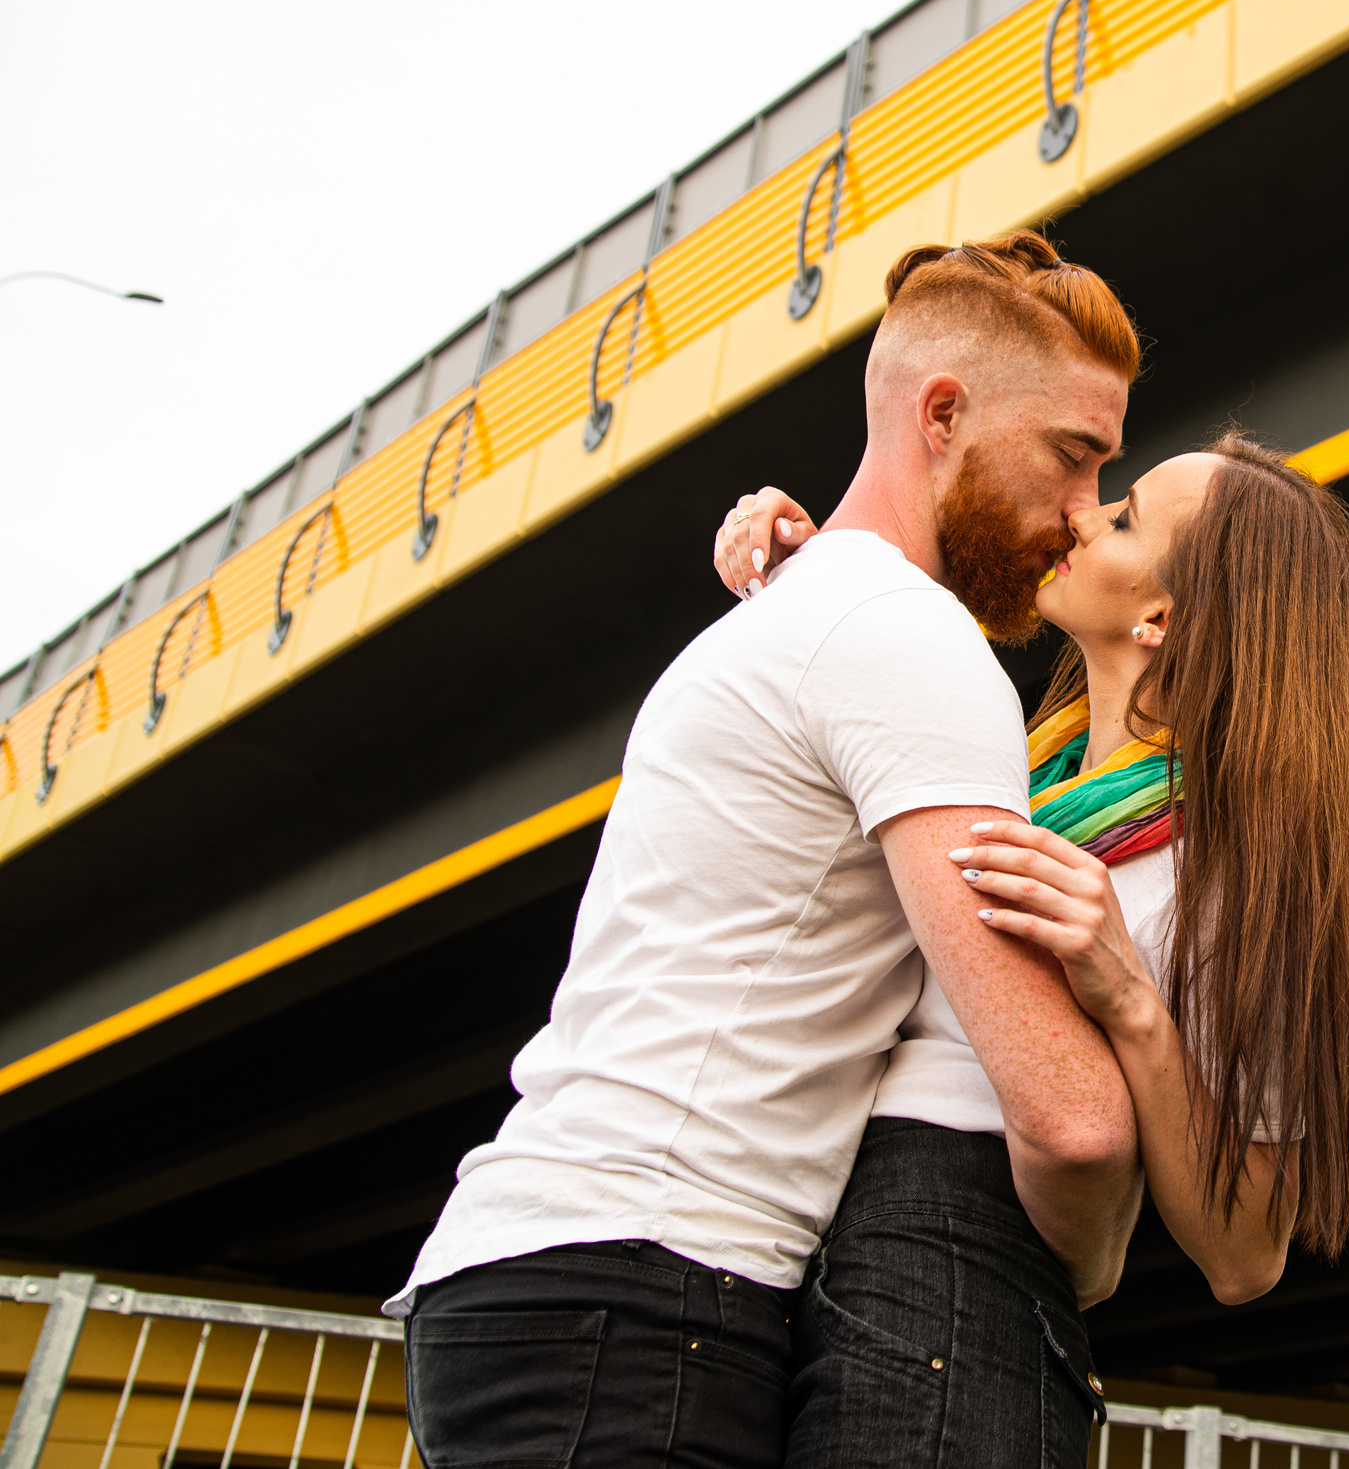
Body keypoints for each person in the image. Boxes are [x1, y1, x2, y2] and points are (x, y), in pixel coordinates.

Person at [392, 233, 1149, 1469]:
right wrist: (1105, 1236)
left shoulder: (794, 610)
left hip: (563, 1269)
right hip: (644, 1285)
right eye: (1073, 454)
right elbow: (1068, 1117)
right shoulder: (908, 637)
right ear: (943, 413)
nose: (1081, 509)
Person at [712, 431, 1349, 1469]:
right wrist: (817, 569)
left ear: (1158, 617)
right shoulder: (1005, 770)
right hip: (812, 1239)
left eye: (1122, 518)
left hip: (961, 1293)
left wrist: (1128, 995)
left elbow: (1247, 1251)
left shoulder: (1230, 869)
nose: (1083, 514)